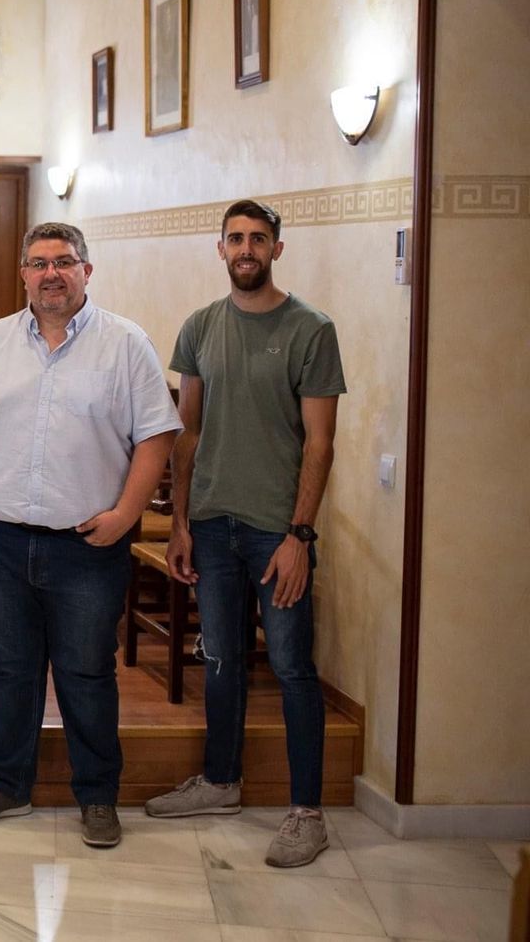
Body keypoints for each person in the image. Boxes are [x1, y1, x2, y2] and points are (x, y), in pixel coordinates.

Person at [0, 222, 181, 849]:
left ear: (87, 271)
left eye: (65, 262)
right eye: (40, 263)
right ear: (22, 273)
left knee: (86, 672)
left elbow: (157, 437)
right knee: (10, 670)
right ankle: (6, 785)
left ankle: (98, 796)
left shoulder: (127, 345)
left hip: (88, 546)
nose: (52, 273)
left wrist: (127, 515)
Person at [144, 200, 345, 869]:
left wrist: (300, 535)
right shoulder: (200, 326)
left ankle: (306, 813)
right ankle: (221, 783)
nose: (246, 248)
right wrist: (179, 522)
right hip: (211, 525)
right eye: (236, 238)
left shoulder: (312, 329)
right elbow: (188, 430)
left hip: (274, 532)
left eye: (259, 238)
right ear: (221, 248)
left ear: (277, 250)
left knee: (290, 667)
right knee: (223, 659)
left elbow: (320, 444)